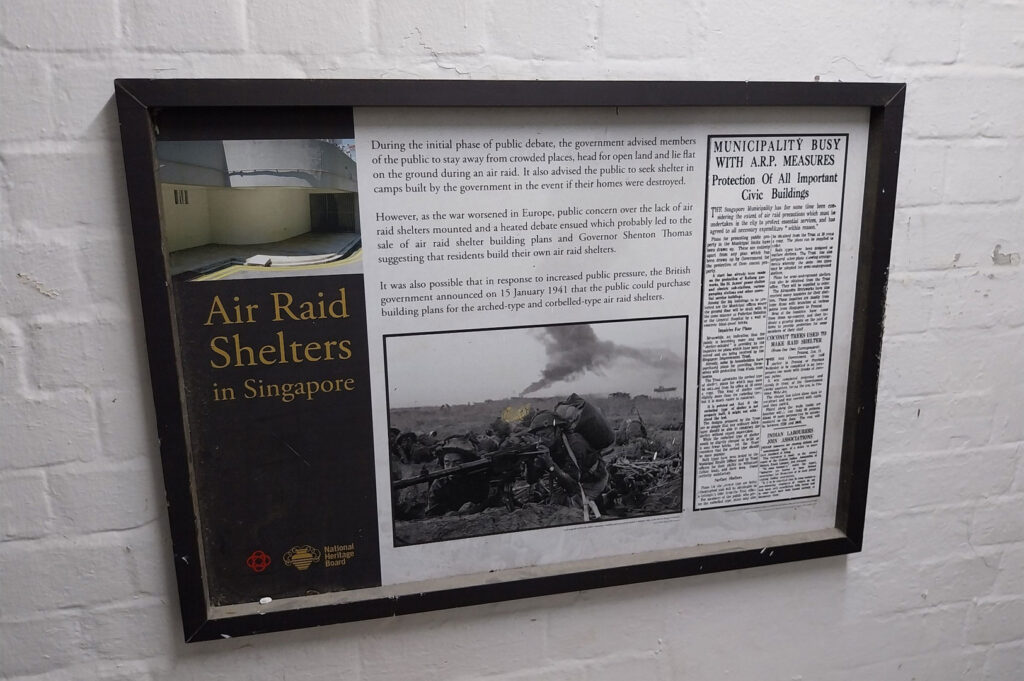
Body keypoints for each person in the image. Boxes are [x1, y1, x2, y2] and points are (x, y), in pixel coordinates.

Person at [528, 411, 609, 514]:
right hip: (570, 479)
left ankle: (605, 501)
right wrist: (530, 461)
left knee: (573, 511)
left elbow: (573, 487)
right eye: (537, 437)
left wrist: (550, 464)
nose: (541, 440)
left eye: (544, 435)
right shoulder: (549, 445)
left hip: (593, 480)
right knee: (554, 507)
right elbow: (531, 480)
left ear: (557, 430)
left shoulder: (575, 444)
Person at [424, 436, 491, 516]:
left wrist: (476, 508)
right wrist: (454, 513)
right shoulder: (439, 484)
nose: (451, 467)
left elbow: (489, 500)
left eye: (457, 463)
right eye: (447, 463)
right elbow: (432, 513)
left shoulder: (476, 478)